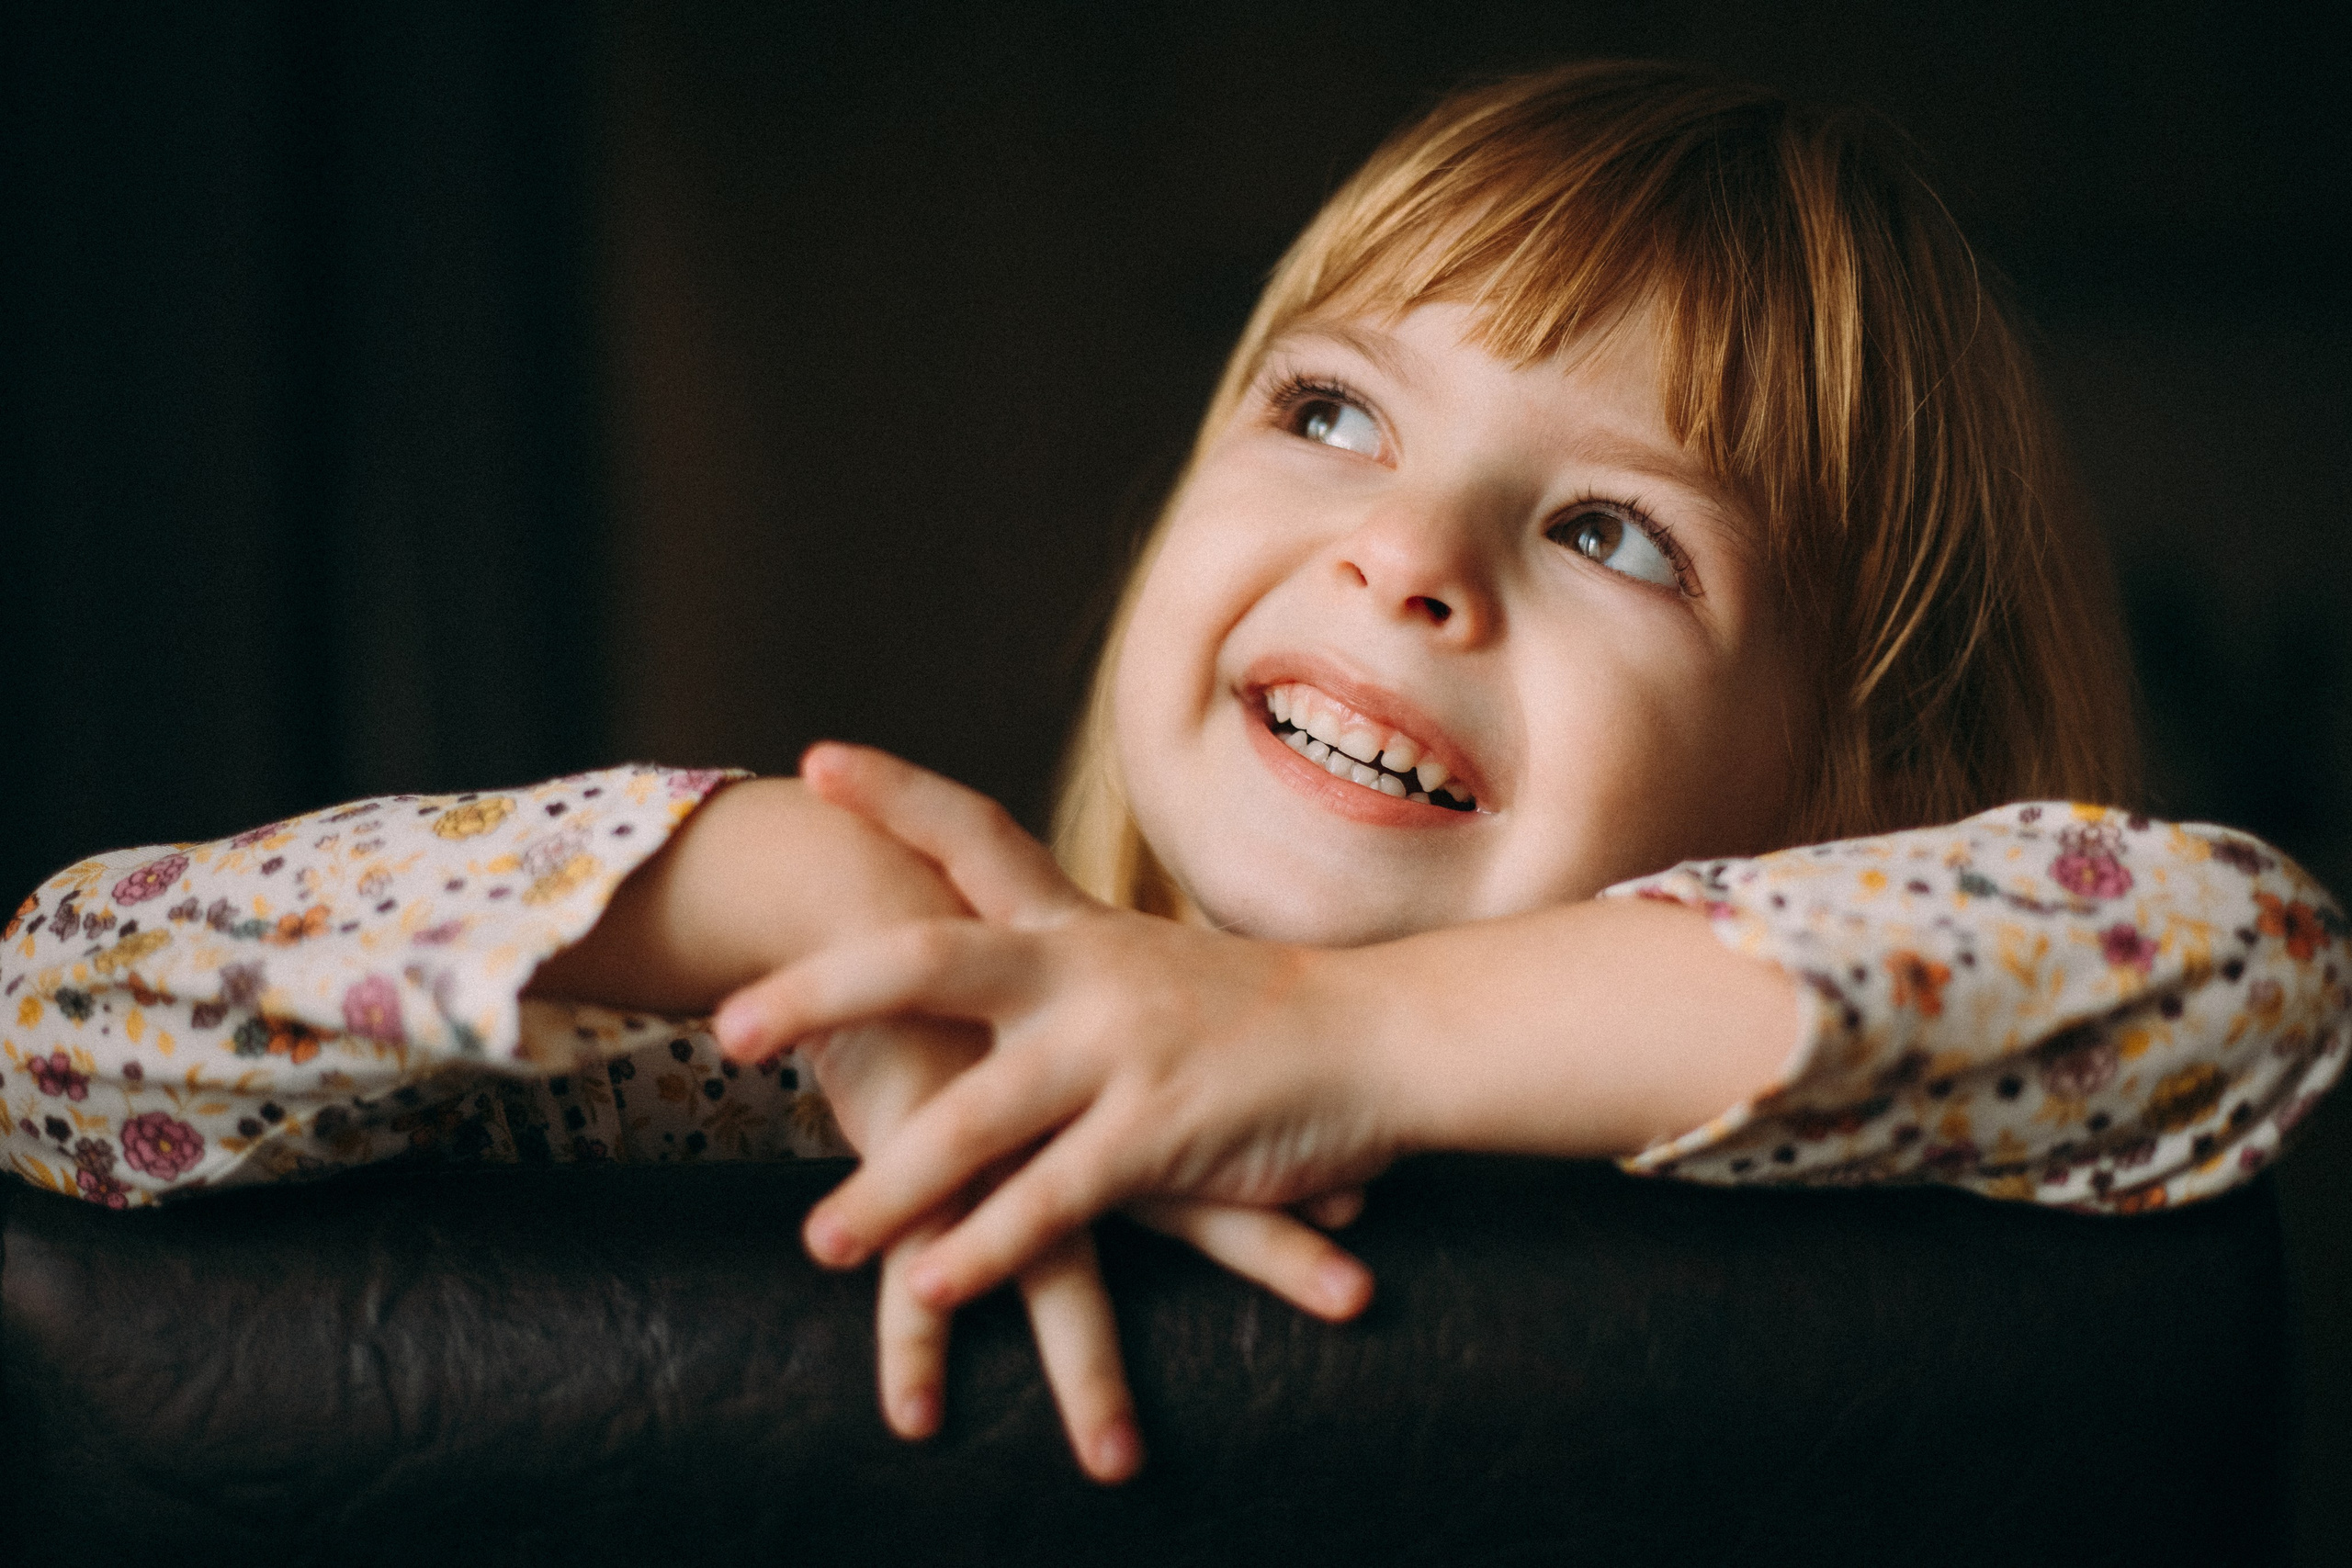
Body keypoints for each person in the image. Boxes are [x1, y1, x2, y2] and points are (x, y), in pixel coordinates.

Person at [5, 62, 2343, 1487]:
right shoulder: (848, 1075)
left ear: (1853, 775)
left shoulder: (1858, 1144)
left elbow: (2238, 964)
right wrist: (763, 892)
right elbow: (62, 1024)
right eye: (1328, 409)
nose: (1403, 555)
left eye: (1613, 530)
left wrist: (1344, 1037)